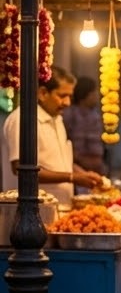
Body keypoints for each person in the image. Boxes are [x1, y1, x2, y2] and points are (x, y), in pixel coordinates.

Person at [3, 66, 105, 206]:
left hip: (59, 208)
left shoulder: (57, 119)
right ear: (43, 93)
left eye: (70, 96)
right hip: (31, 213)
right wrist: (72, 177)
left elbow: (58, 162)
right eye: (62, 96)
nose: (68, 103)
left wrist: (83, 174)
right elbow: (21, 169)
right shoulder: (23, 120)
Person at [61, 75, 106, 178]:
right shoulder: (70, 114)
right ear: (86, 94)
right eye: (94, 92)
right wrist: (78, 158)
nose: (97, 95)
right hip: (76, 167)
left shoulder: (94, 114)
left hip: (96, 167)